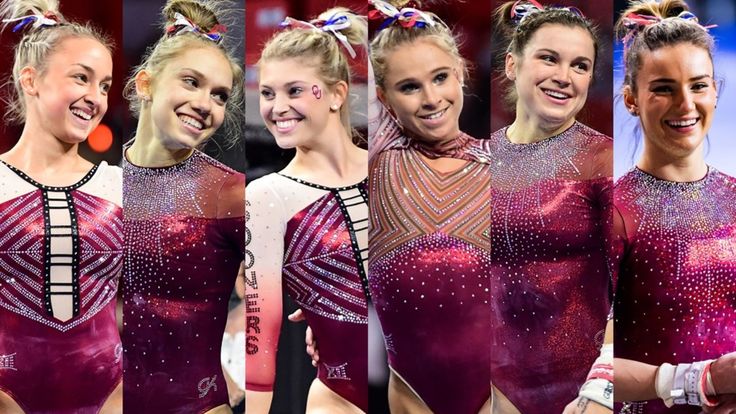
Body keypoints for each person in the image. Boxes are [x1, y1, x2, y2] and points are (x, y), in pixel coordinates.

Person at [611, 1, 736, 413]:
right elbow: (572, 360)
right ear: (631, 99)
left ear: (716, 91)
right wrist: (701, 381)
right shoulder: (613, 213)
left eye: (698, 85)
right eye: (663, 88)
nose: (685, 104)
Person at [367, 0, 492, 412]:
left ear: (460, 74)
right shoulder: (380, 159)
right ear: (384, 97)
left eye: (440, 78)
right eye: (409, 87)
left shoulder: (502, 163)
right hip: (411, 399)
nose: (431, 98)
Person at [489, 2, 614, 413]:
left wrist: (602, 386)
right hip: (493, 393)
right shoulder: (476, 157)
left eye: (580, 66)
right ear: (512, 64)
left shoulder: (603, 162)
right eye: (549, 59)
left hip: (583, 395)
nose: (564, 77)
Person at [121, 0, 245, 412]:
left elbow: (283, 284)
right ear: (145, 84)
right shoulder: (98, 187)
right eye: (191, 82)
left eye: (220, 95)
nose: (206, 104)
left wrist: (241, 358)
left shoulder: (229, 194)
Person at [244, 7, 369, 413]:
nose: (278, 107)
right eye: (268, 93)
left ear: (336, 93)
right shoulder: (266, 196)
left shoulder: (390, 170)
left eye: (294, 91)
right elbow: (259, 331)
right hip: (338, 400)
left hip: (424, 393)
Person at [0, 0, 122, 413]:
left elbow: (163, 300)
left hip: (111, 395)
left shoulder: (118, 187)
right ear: (31, 80)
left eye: (104, 85)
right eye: (81, 78)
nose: (95, 97)